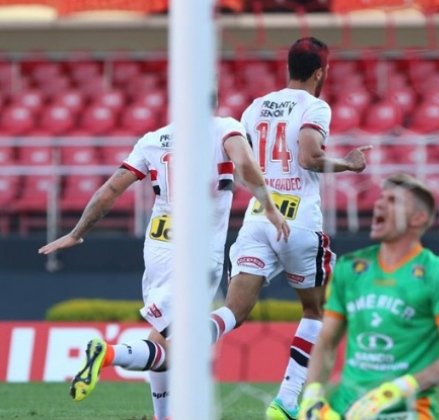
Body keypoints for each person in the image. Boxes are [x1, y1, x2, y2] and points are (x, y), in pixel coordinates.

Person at [38, 119, 289, 420]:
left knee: (163, 337)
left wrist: (77, 232)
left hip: (158, 246)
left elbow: (110, 190)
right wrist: (269, 206)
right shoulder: (224, 128)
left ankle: (161, 414)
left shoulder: (153, 139)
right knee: (189, 343)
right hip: (197, 250)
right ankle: (109, 353)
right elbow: (246, 165)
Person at [207, 36, 370, 420]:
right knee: (318, 311)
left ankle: (175, 346)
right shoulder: (315, 106)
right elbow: (310, 157)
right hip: (297, 222)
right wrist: (348, 163)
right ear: (320, 72)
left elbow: (241, 165)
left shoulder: (254, 107)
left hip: (258, 218)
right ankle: (288, 401)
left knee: (233, 311)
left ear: (287, 68)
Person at [298, 173, 439, 420]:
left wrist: (396, 391)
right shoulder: (350, 268)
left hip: (406, 411)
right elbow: (326, 341)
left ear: (417, 218)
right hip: (344, 410)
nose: (378, 204)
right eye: (380, 198)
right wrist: (312, 395)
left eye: (392, 200)